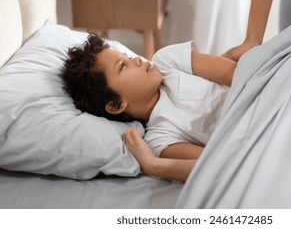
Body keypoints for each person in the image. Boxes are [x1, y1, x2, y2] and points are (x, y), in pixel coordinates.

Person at [62, 33, 238, 182]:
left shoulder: (167, 61)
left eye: (128, 57)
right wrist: (153, 166)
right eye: (123, 66)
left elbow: (240, 73)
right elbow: (217, 163)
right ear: (115, 105)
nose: (137, 59)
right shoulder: (159, 139)